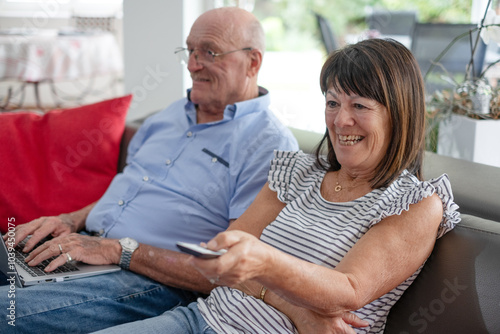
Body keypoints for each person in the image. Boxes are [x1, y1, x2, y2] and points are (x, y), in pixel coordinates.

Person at [95, 38, 461, 334]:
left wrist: (262, 261)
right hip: (200, 318)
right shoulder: (297, 173)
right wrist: (279, 294)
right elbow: (219, 266)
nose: (340, 120)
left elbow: (346, 292)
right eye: (332, 103)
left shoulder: (415, 203)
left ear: (399, 113)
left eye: (360, 105)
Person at [0, 7, 298, 333]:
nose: (192, 64)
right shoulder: (168, 115)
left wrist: (119, 251)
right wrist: (70, 219)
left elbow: (228, 269)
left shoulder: (269, 146)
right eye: (190, 50)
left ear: (253, 62)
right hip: (87, 246)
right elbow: (126, 190)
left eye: (209, 52)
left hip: (151, 280)